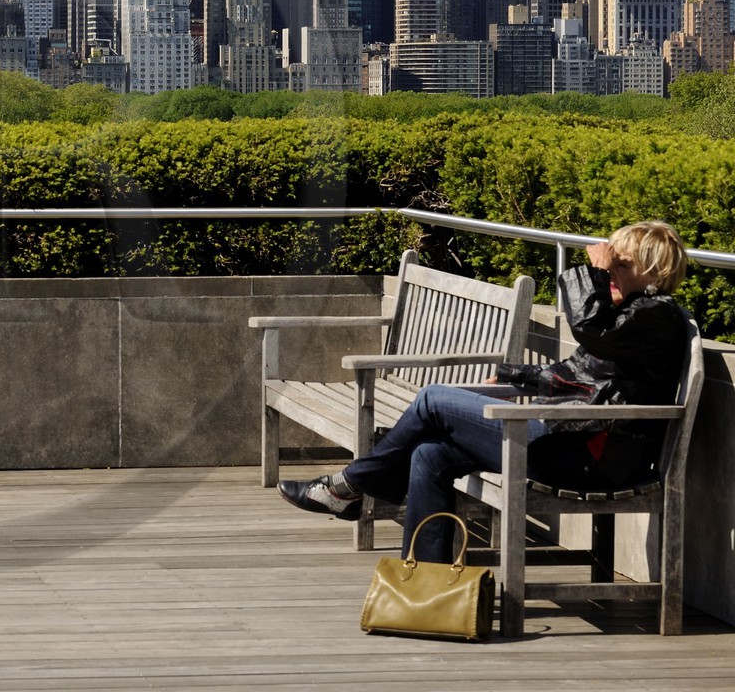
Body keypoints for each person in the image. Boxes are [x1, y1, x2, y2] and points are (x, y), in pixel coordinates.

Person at [278, 220, 694, 564]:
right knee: (430, 454)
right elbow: (579, 375)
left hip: (588, 455)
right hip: (569, 440)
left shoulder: (657, 316)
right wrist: (512, 375)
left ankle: (345, 488)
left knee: (433, 399)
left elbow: (588, 328)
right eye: (611, 263)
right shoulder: (633, 317)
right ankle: (426, 582)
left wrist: (593, 273)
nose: (610, 271)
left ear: (653, 271)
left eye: (621, 264)